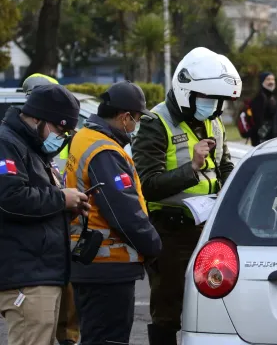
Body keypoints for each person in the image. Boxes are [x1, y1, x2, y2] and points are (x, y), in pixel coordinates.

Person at [132, 46, 241, 345]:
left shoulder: (213, 121)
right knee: (168, 309)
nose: (214, 106)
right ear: (186, 93)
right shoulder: (155, 123)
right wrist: (191, 168)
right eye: (208, 99)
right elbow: (147, 183)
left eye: (219, 101)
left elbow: (225, 167)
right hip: (170, 231)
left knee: (213, 302)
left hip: (209, 229)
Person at [65, 80, 162, 344]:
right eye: (137, 119)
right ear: (124, 117)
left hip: (89, 261)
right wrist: (153, 246)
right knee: (108, 339)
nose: (136, 125)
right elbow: (124, 212)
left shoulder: (84, 137)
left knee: (95, 336)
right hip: (107, 266)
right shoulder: (104, 150)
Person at [0, 84, 90, 345]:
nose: (61, 137)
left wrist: (67, 209)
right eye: (60, 130)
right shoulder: (7, 144)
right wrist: (62, 198)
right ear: (38, 118)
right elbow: (9, 198)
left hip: (41, 272)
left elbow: (33, 205)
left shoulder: (33, 147)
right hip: (26, 276)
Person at [22, 73, 80, 345]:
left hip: (59, 233)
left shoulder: (47, 140)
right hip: (33, 260)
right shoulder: (16, 143)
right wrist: (61, 199)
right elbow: (15, 197)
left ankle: (68, 336)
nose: (62, 133)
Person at [250, 71, 277, 145]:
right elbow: (258, 120)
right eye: (268, 79)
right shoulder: (260, 97)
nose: (271, 82)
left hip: (268, 136)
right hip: (262, 138)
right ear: (262, 81)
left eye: (273, 79)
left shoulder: (270, 96)